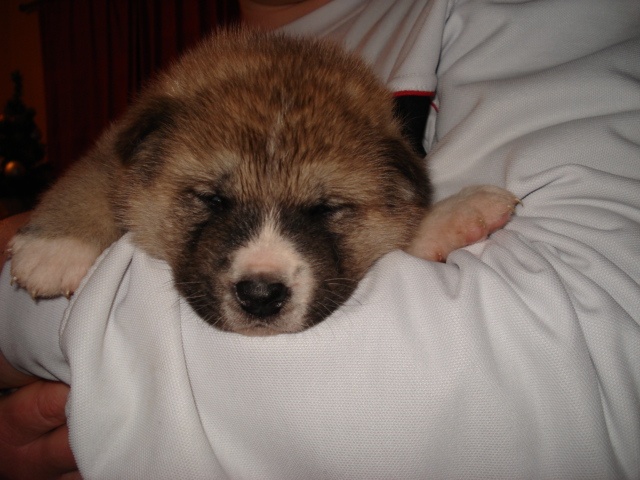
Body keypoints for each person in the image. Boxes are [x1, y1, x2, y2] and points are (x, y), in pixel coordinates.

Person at [1, 0, 639, 478]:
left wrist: (22, 327)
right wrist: (71, 228)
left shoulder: (538, 18)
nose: (260, 270)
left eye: (326, 208)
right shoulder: (184, 106)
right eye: (213, 201)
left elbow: (558, 365)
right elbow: (106, 178)